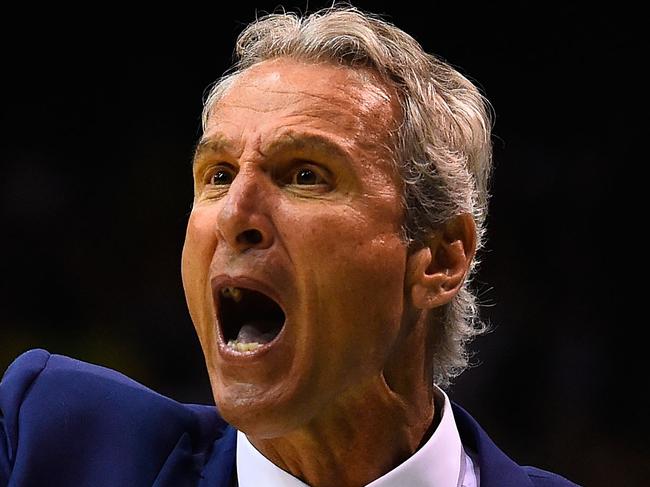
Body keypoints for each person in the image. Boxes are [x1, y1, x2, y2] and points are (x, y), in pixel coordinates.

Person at [0, 5, 580, 487]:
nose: (235, 215)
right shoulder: (55, 441)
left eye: (306, 175)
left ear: (441, 258)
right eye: (219, 175)